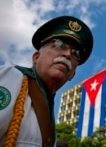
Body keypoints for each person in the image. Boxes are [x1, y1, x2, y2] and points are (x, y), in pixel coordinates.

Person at [0, 16, 93, 146]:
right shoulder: (11, 76)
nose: (67, 54)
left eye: (75, 53)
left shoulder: (49, 115)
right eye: (59, 44)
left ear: (73, 74)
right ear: (36, 57)